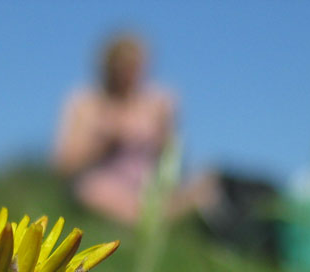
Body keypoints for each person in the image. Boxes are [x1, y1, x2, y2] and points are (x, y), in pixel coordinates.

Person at [53, 33, 210, 224]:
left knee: (208, 185)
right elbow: (63, 165)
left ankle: (159, 217)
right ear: (108, 66)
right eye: (123, 66)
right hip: (102, 186)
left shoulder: (159, 101)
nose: (129, 74)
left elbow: (173, 157)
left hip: (150, 188)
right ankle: (153, 219)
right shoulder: (84, 101)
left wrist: (166, 130)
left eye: (136, 66)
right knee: (95, 192)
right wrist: (106, 141)